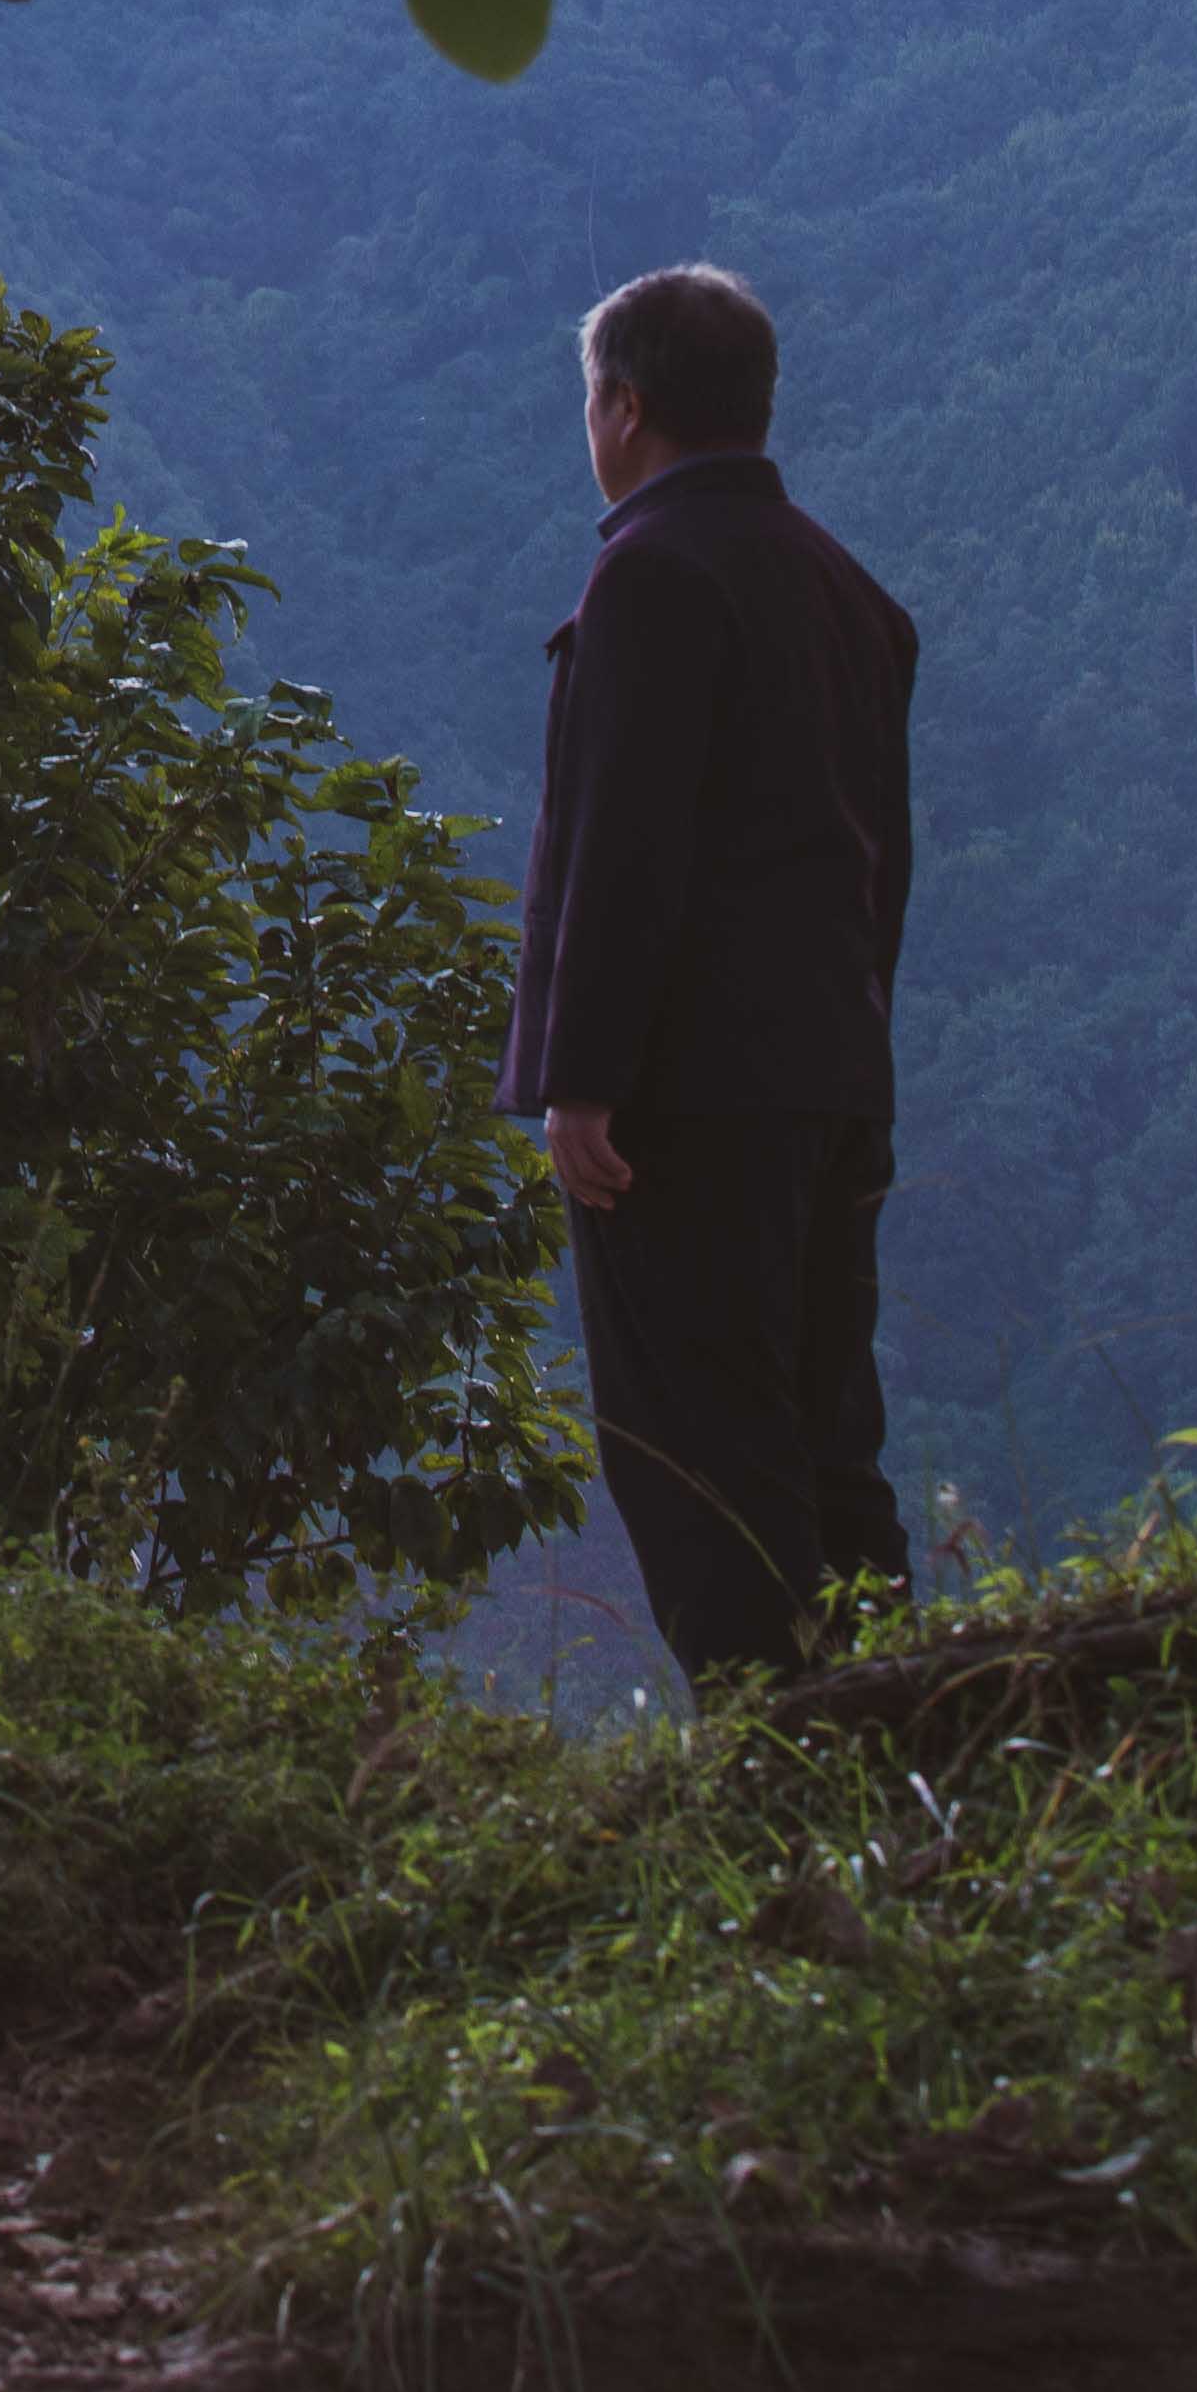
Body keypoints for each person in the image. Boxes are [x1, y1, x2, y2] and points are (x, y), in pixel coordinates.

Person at [501, 263, 920, 1696]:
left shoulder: (650, 577)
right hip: (831, 1079)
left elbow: (626, 850)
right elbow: (883, 869)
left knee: (698, 1445)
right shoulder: (846, 592)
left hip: (685, 1104)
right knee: (823, 1433)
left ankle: (774, 1751)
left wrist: (582, 1076)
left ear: (623, 406)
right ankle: (907, 1731)